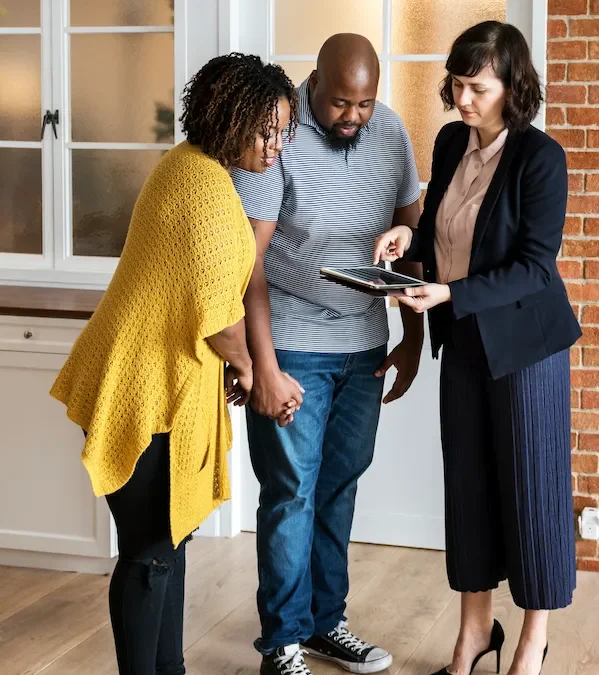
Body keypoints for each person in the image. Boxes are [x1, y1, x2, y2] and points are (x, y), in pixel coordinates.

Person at [50, 53, 297, 675]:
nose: (275, 147)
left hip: (160, 384)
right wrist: (257, 374)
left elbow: (208, 300)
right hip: (141, 388)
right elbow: (219, 318)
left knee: (166, 545)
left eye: (283, 132)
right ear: (228, 116)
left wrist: (241, 370)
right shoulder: (200, 188)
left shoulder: (197, 172)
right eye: (264, 130)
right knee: (149, 552)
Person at [373, 21, 582, 675]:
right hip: (461, 340)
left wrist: (448, 294)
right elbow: (442, 230)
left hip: (526, 350)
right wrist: (411, 244)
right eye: (458, 85)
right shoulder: (449, 141)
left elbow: (534, 267)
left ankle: (532, 641)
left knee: (530, 492)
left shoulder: (540, 158)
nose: (462, 99)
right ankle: (472, 635)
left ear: (512, 86)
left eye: (478, 87)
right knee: (468, 489)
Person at [230, 34, 424, 675]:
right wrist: (262, 367)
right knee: (290, 494)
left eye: (365, 104)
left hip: (364, 346)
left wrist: (410, 340)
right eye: (342, 103)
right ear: (314, 84)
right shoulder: (279, 131)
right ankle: (281, 645)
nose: (355, 117)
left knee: (338, 489)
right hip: (293, 346)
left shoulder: (390, 131)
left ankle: (324, 625)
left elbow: (411, 224)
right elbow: (248, 265)